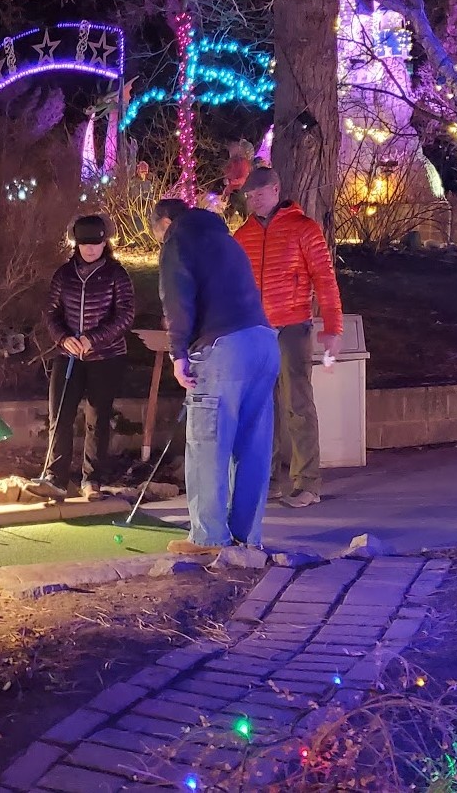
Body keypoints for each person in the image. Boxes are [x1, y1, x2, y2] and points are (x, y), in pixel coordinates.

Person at [150, 198, 279, 555]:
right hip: (264, 342)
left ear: (164, 222)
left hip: (224, 349)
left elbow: (176, 300)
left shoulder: (178, 241)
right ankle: (247, 536)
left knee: (208, 444)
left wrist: (178, 354)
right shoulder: (227, 239)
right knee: (253, 445)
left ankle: (208, 538)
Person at [233, 167, 345, 508]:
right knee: (259, 406)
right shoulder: (243, 236)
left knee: (296, 404)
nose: (254, 200)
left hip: (293, 326)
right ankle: (263, 479)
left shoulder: (303, 229)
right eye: (249, 196)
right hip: (256, 330)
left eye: (259, 193)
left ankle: (307, 483)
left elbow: (324, 278)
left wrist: (333, 327)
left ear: (277, 189)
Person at [37, 215, 135, 499]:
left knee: (97, 417)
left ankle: (92, 480)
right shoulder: (64, 275)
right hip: (68, 356)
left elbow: (125, 315)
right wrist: (64, 339)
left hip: (105, 357)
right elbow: (52, 313)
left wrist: (93, 338)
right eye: (85, 244)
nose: (91, 249)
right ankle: (56, 478)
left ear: (106, 242)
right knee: (60, 415)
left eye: (97, 243)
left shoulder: (117, 275)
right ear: (76, 244)